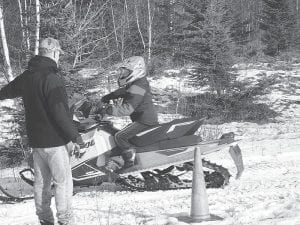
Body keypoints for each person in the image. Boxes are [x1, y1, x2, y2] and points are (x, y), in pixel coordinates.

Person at [0, 37, 84, 225]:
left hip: (37, 143)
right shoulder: (51, 78)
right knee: (62, 183)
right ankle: (65, 220)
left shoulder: (28, 76)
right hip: (55, 142)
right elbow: (60, 113)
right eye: (58, 54)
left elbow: (6, 92)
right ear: (54, 53)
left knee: (42, 183)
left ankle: (45, 220)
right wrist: (75, 137)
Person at [80, 56, 158, 171]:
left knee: (120, 136)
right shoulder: (137, 83)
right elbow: (124, 91)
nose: (122, 74)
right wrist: (108, 96)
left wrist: (108, 109)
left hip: (144, 121)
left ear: (135, 71)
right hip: (143, 118)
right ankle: (121, 157)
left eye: (125, 71)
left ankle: (130, 162)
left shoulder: (138, 86)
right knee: (115, 131)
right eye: (122, 71)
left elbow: (127, 109)